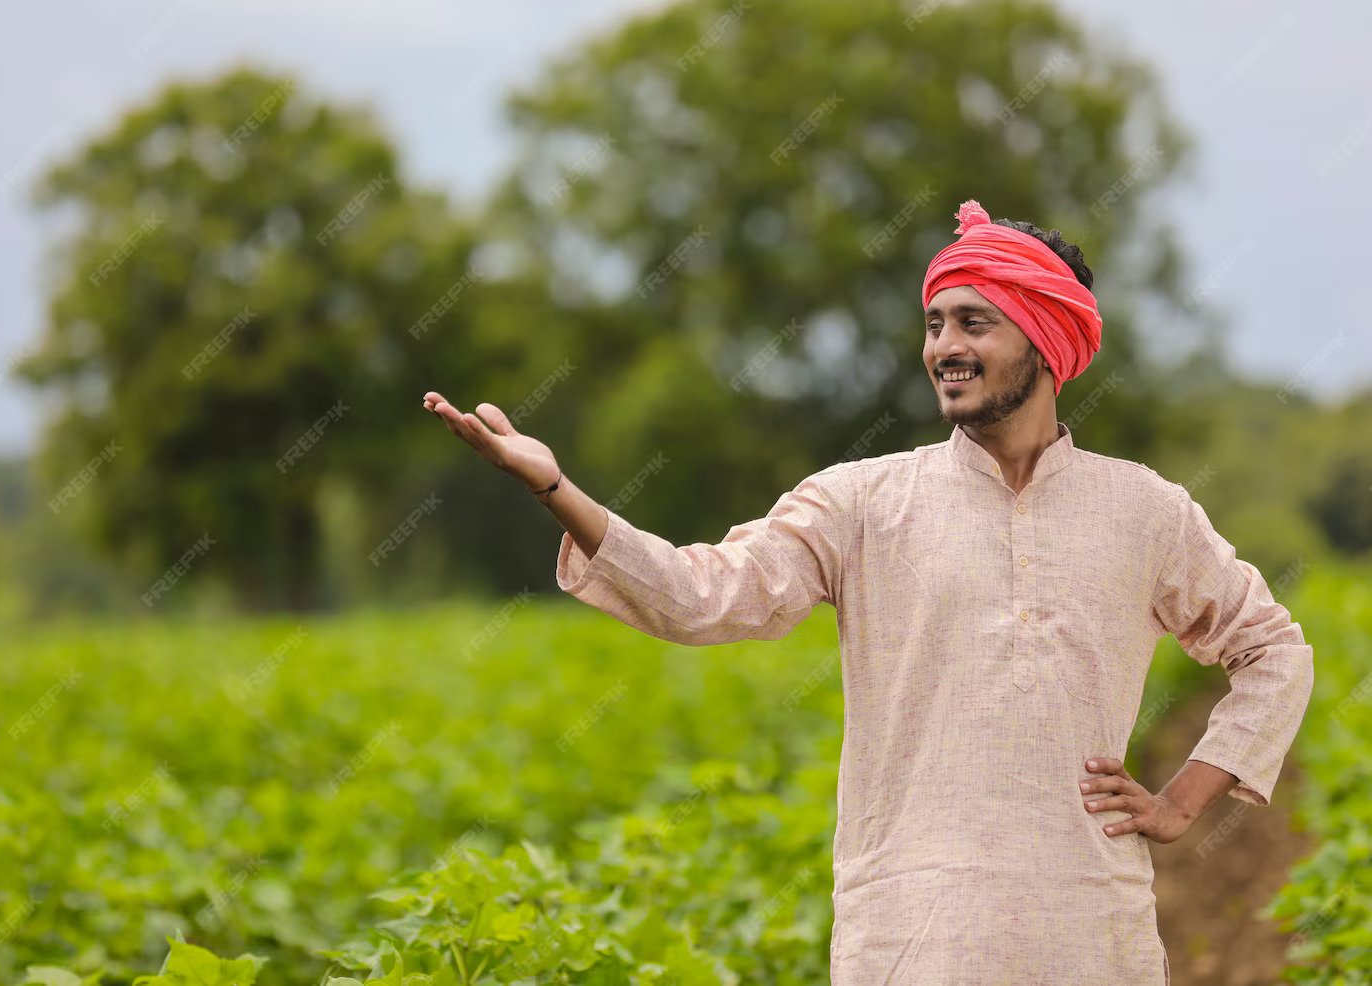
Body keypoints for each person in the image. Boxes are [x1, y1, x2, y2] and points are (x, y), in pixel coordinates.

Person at [421, 199, 1314, 985]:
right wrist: (556, 489)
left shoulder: (1143, 510)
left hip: (1088, 928)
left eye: (973, 323)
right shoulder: (863, 502)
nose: (945, 349)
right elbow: (702, 596)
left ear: (1046, 339)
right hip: (914, 931)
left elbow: (1272, 649)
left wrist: (1182, 800)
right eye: (934, 325)